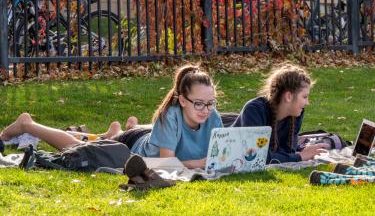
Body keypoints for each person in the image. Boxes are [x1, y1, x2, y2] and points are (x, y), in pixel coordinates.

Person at [0, 65, 223, 169]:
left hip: (147, 135)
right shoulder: (170, 117)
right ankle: (27, 123)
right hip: (132, 147)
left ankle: (115, 132)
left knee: (109, 139)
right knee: (78, 147)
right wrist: (200, 163)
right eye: (199, 104)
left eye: (210, 103)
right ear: (183, 100)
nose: (206, 109)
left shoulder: (212, 116)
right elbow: (167, 163)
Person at [232, 63, 328, 163]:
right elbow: (255, 156)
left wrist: (303, 153)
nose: (307, 103)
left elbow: (288, 151)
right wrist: (299, 157)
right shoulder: (254, 110)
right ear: (289, 97)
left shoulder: (296, 113)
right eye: (304, 97)